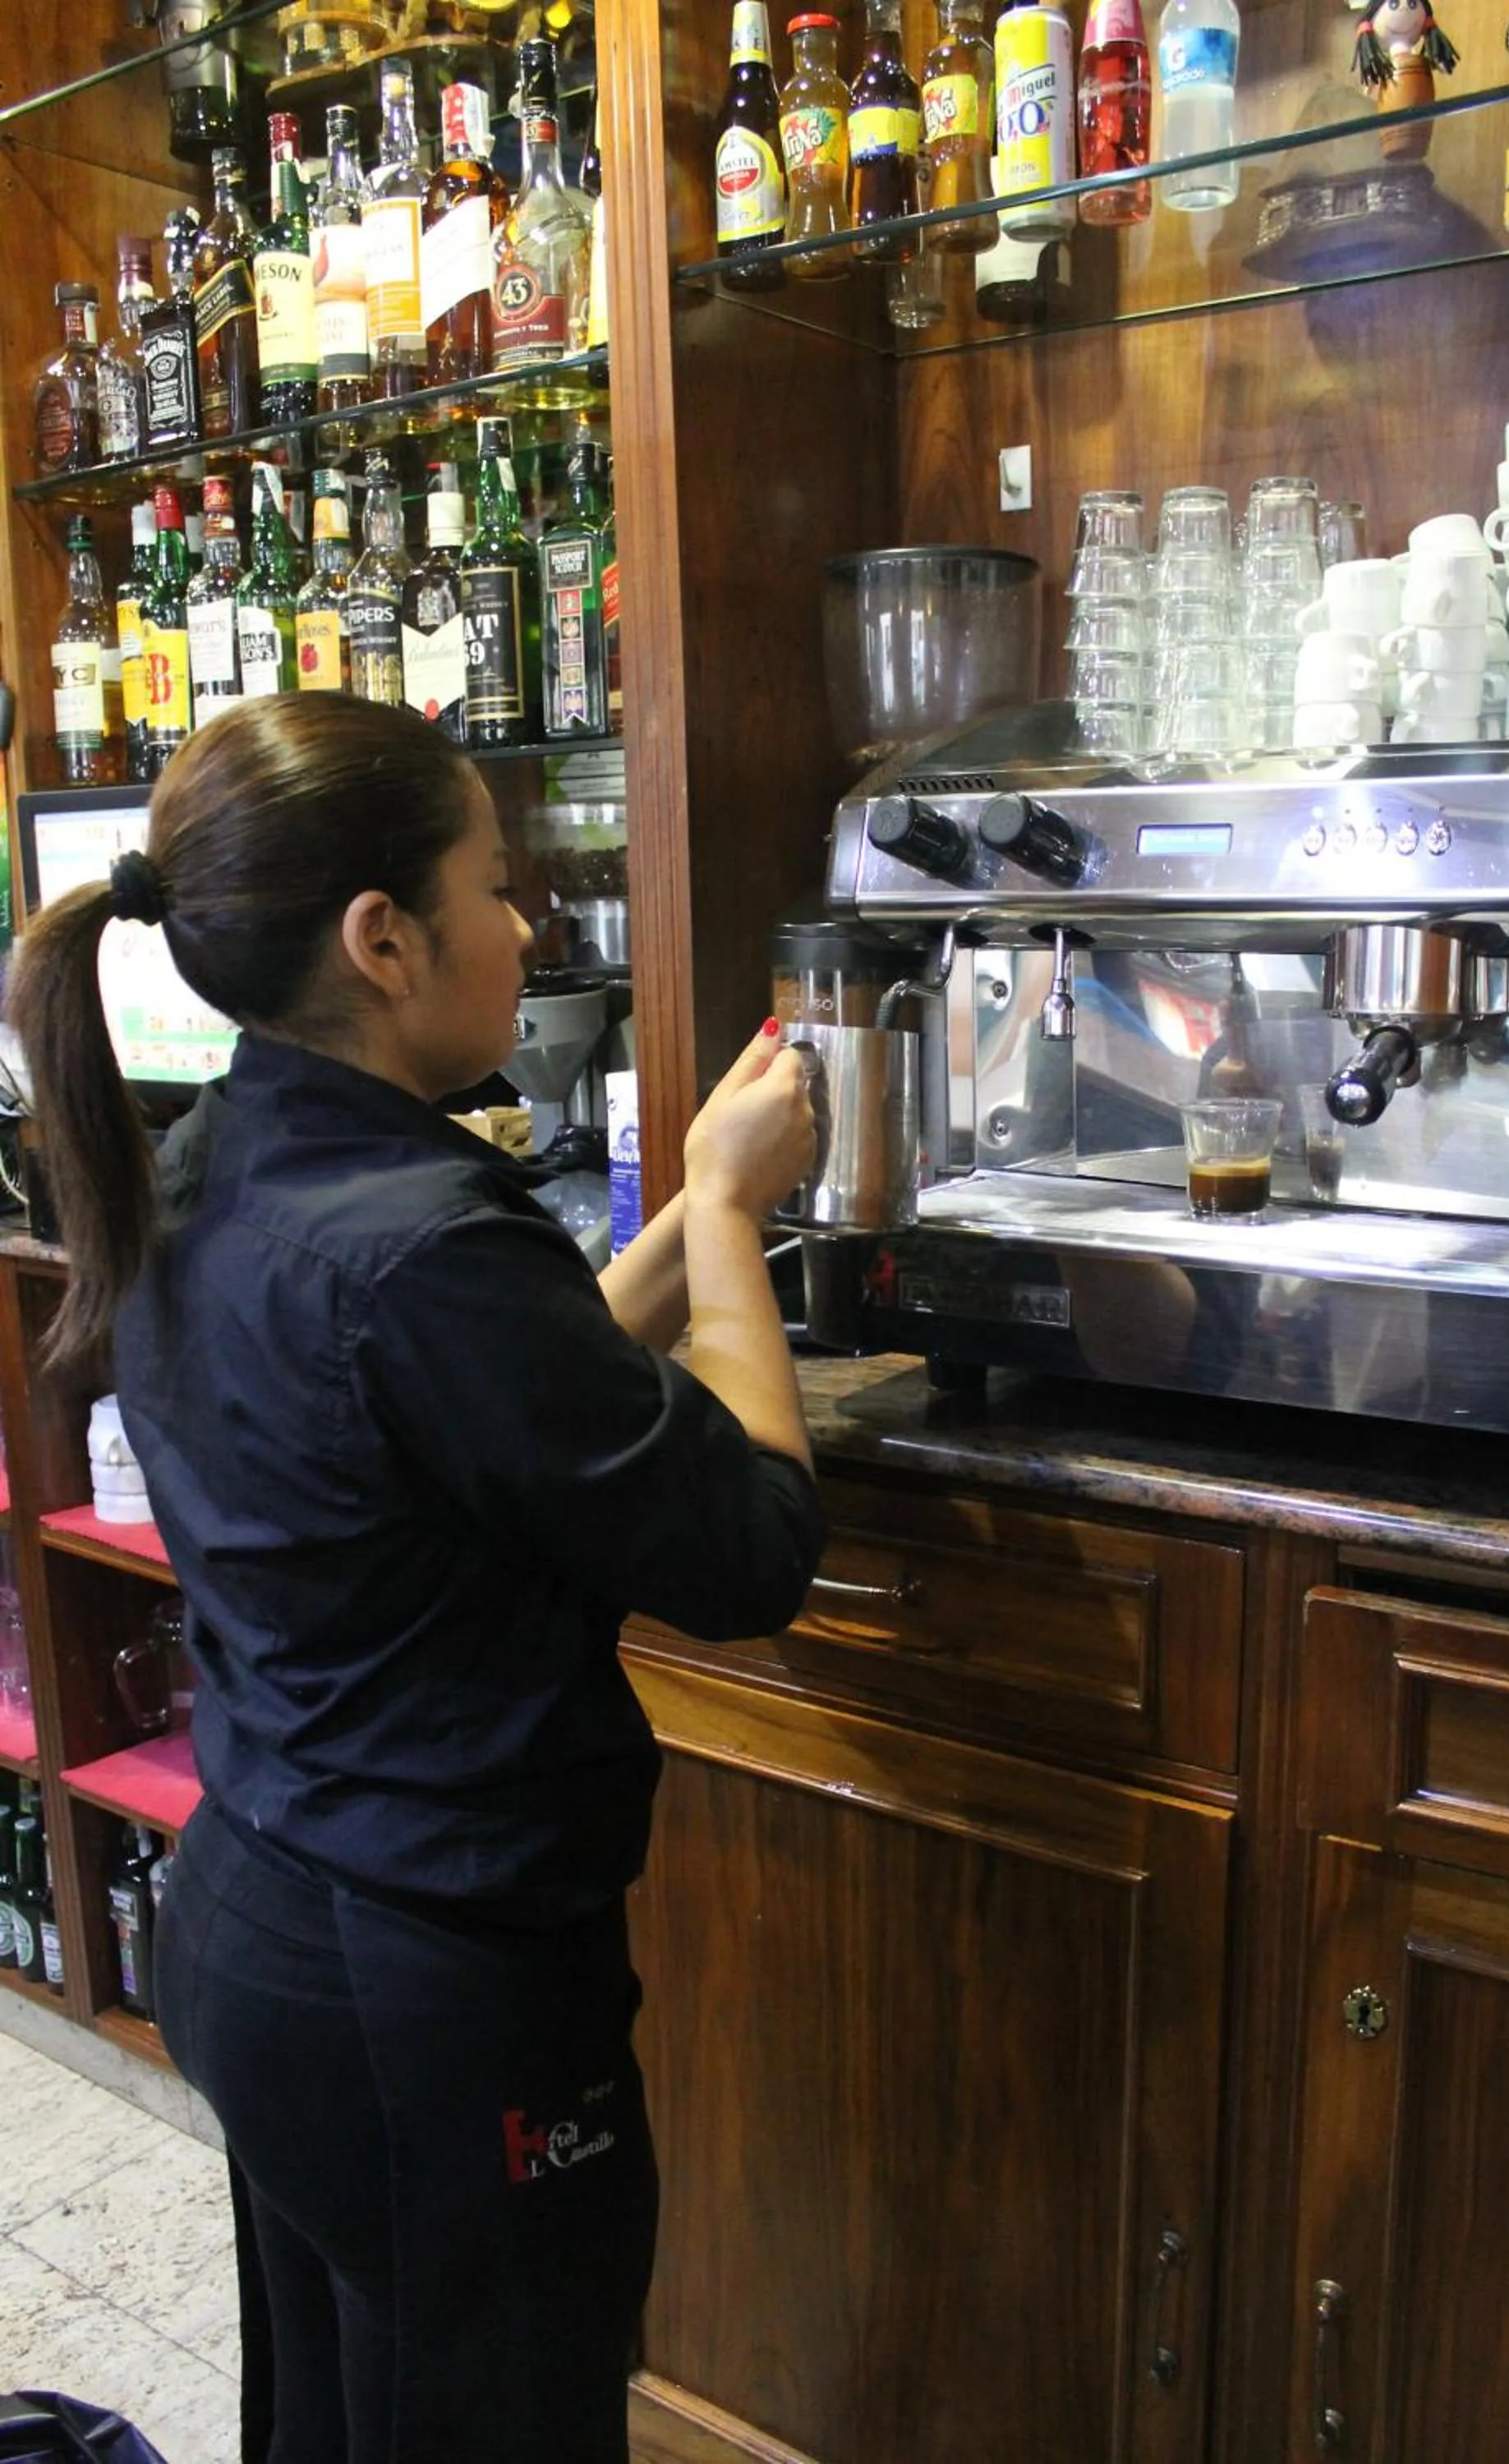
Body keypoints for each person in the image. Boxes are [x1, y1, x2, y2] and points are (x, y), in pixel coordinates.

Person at [7, 693, 824, 2464]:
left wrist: (684, 1210)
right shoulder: (429, 1238)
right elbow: (753, 1542)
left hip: (258, 1919)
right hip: (436, 1992)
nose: (525, 926)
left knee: (341, 2415)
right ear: (384, 940)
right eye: (493, 884)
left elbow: (482, 1417)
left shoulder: (222, 1160)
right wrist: (742, 1220)